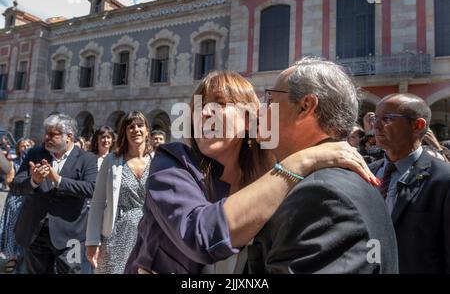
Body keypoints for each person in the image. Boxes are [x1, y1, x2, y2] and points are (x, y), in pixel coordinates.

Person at [124, 70, 378, 274]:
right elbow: (199, 235)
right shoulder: (173, 160)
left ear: (250, 119)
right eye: (199, 106)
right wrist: (303, 160)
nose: (205, 111)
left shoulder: (272, 177)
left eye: (221, 103)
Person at [247, 58, 398, 274]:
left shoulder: (320, 194)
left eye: (270, 99)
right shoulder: (330, 180)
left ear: (305, 107)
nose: (262, 109)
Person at [369, 93, 450, 273]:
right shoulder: (367, 172)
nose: (376, 125)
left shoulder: (443, 180)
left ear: (417, 125)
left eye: (388, 118)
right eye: (375, 118)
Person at [10, 114, 98, 274]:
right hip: (35, 232)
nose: (46, 137)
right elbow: (15, 187)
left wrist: (58, 180)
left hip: (71, 235)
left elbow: (91, 189)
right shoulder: (34, 153)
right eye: (46, 133)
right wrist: (33, 181)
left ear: (69, 136)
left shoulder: (87, 159)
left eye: (52, 134)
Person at [86, 111, 151, 274]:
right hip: (117, 234)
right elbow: (98, 202)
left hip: (150, 235)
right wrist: (92, 241)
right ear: (124, 132)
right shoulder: (112, 160)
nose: (136, 129)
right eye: (131, 126)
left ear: (147, 130)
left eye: (140, 125)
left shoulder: (157, 160)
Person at [0, 139, 32, 273]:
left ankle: (23, 259)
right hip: (16, 199)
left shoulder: (36, 161)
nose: (25, 148)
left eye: (28, 146)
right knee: (13, 229)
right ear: (19, 149)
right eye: (23, 146)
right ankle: (12, 258)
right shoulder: (15, 163)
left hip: (29, 200)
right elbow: (8, 181)